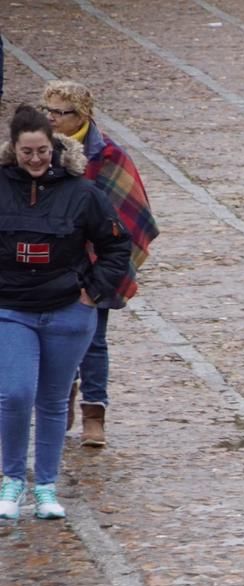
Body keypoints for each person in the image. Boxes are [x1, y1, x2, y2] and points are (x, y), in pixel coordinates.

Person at [0, 105, 130, 521]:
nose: (36, 160)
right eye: (27, 152)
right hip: (11, 309)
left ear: (54, 148)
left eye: (42, 151)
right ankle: (12, 479)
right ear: (14, 150)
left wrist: (92, 292)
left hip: (67, 312)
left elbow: (116, 245)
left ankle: (46, 486)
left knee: (54, 401)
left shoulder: (82, 192)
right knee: (16, 393)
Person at [42, 80, 160, 449]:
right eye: (49, 111)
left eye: (60, 112)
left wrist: (103, 266)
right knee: (53, 339)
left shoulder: (107, 155)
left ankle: (95, 412)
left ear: (81, 114)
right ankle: (62, 402)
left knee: (94, 340)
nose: (53, 119)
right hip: (52, 260)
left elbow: (127, 214)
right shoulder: (41, 150)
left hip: (95, 261)